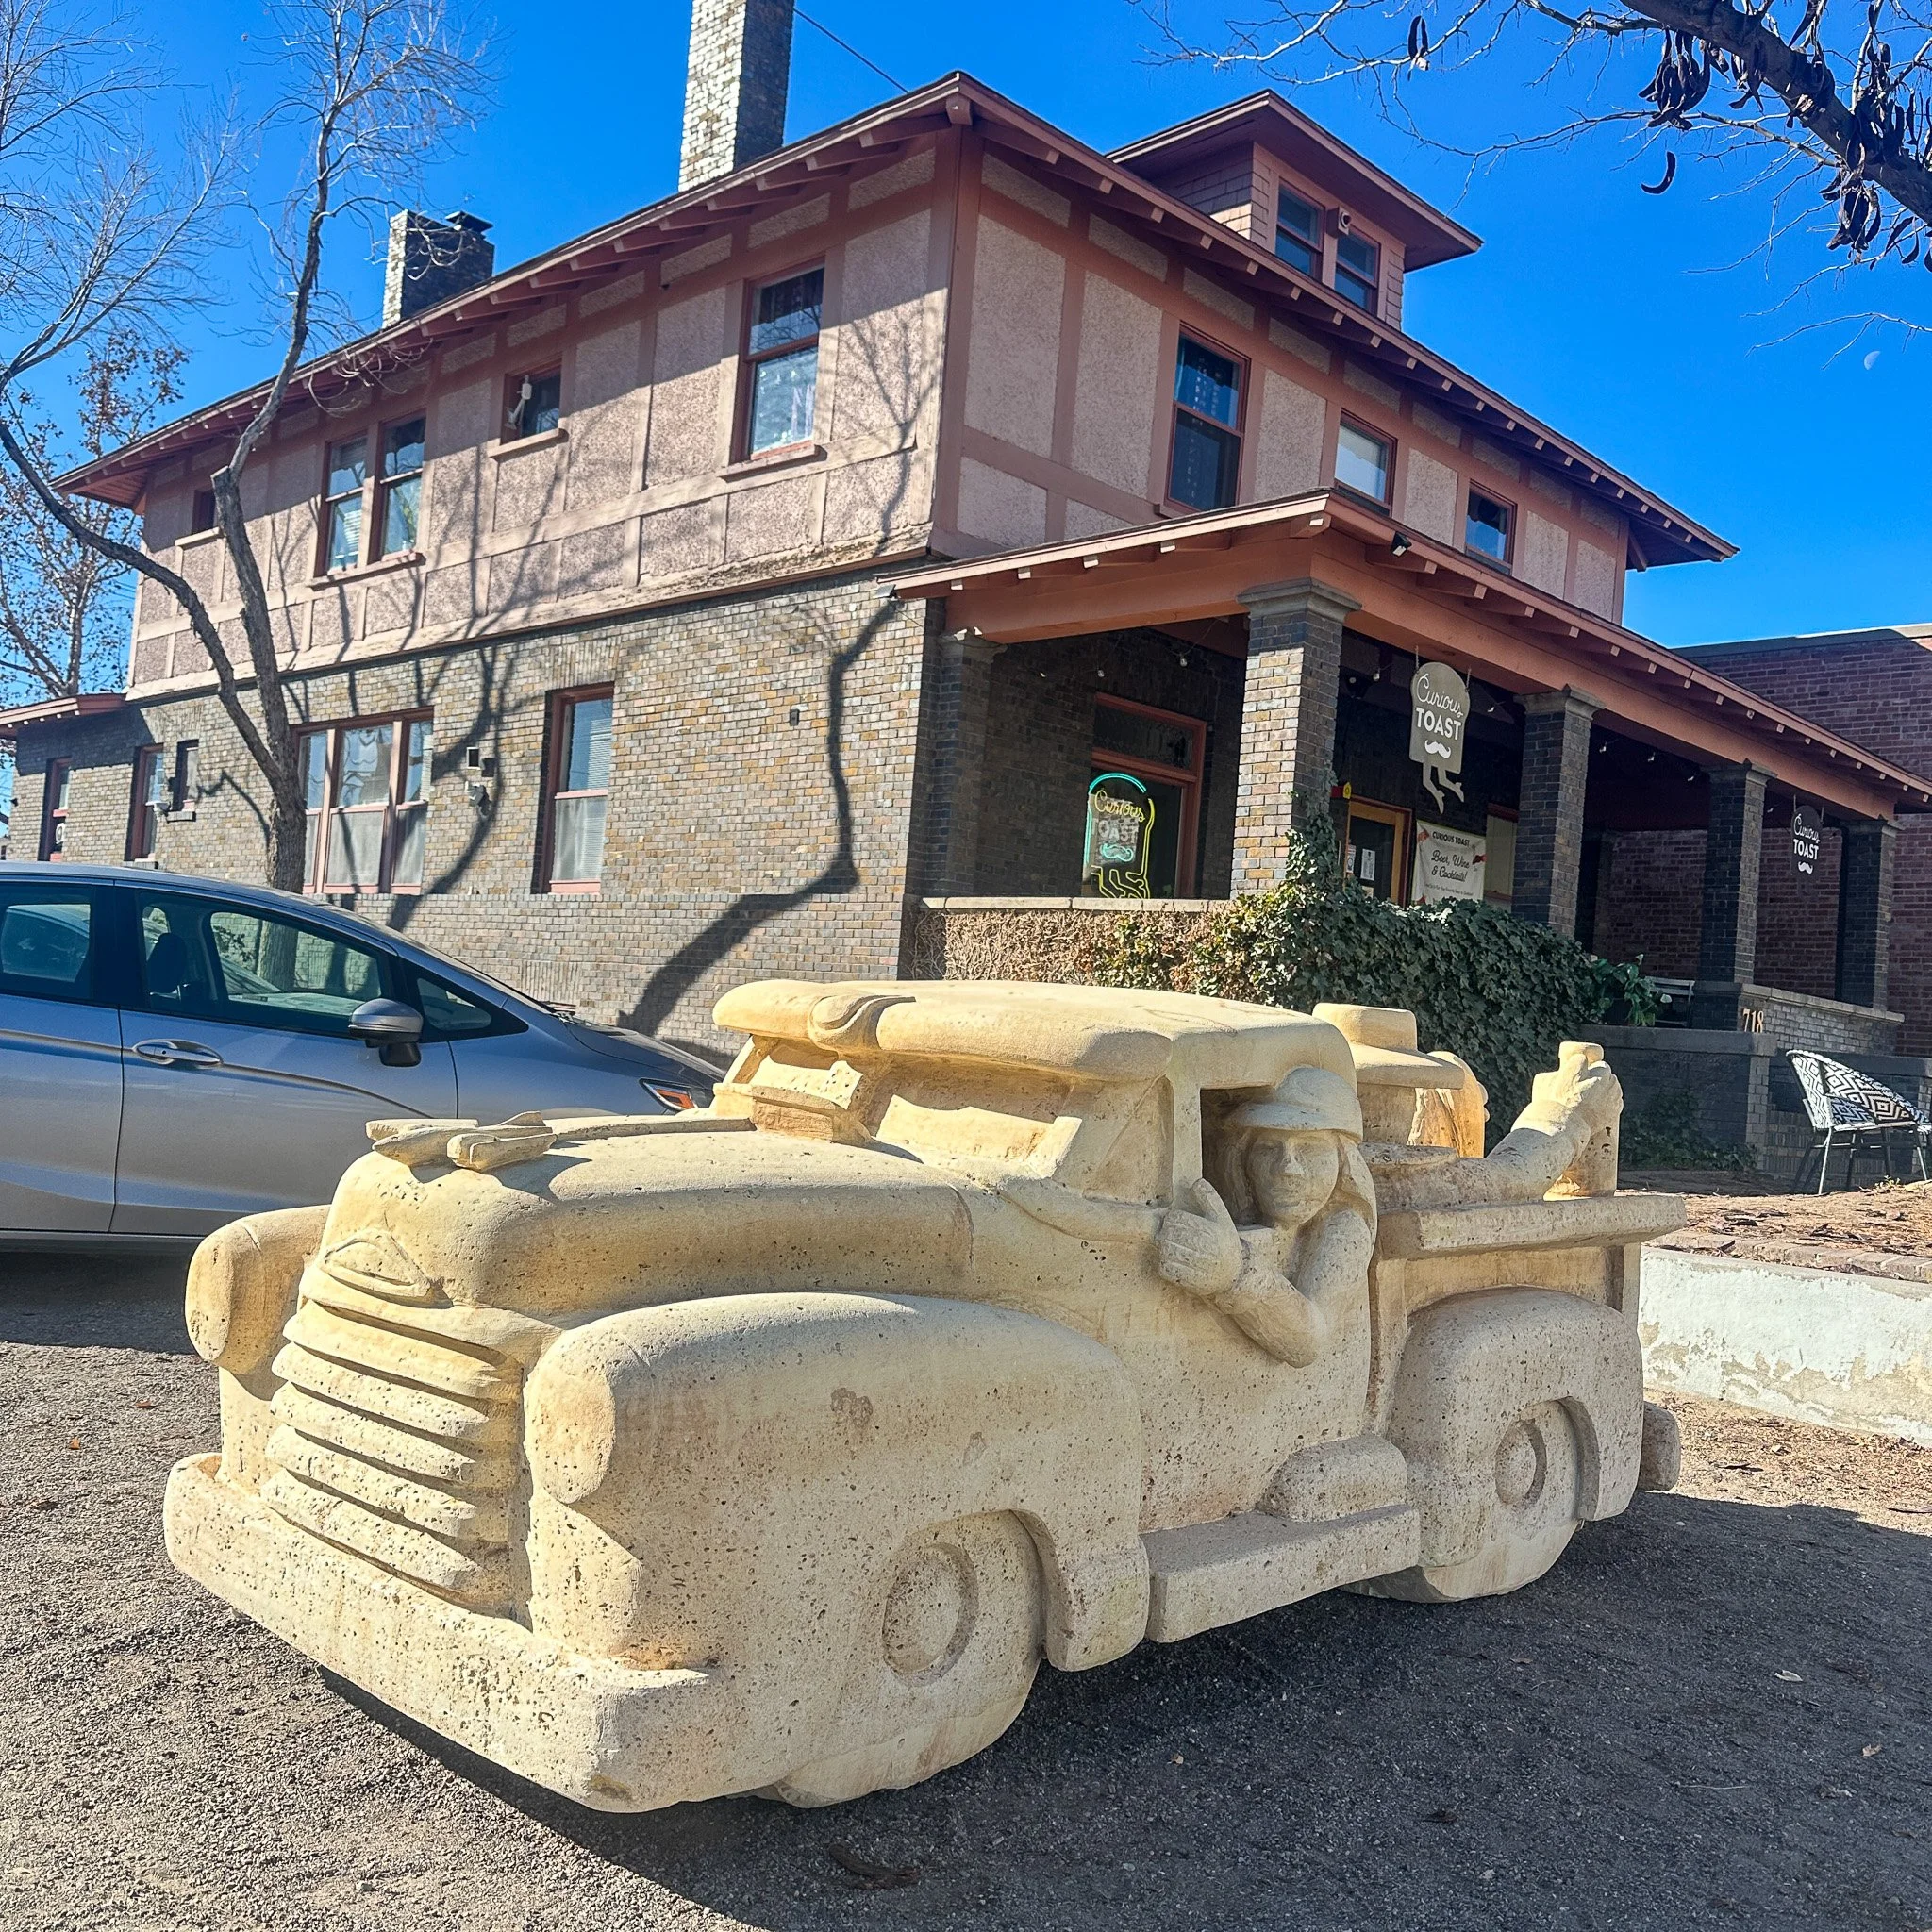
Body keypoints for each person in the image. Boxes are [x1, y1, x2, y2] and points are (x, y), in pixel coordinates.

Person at [1156, 1066, 1376, 1367]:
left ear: (1342, 1160)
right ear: (1242, 1162)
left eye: (1310, 1149)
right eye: (1269, 1148)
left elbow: (1310, 1340)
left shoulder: (1345, 1227)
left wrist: (1237, 1274)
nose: (1288, 1168)